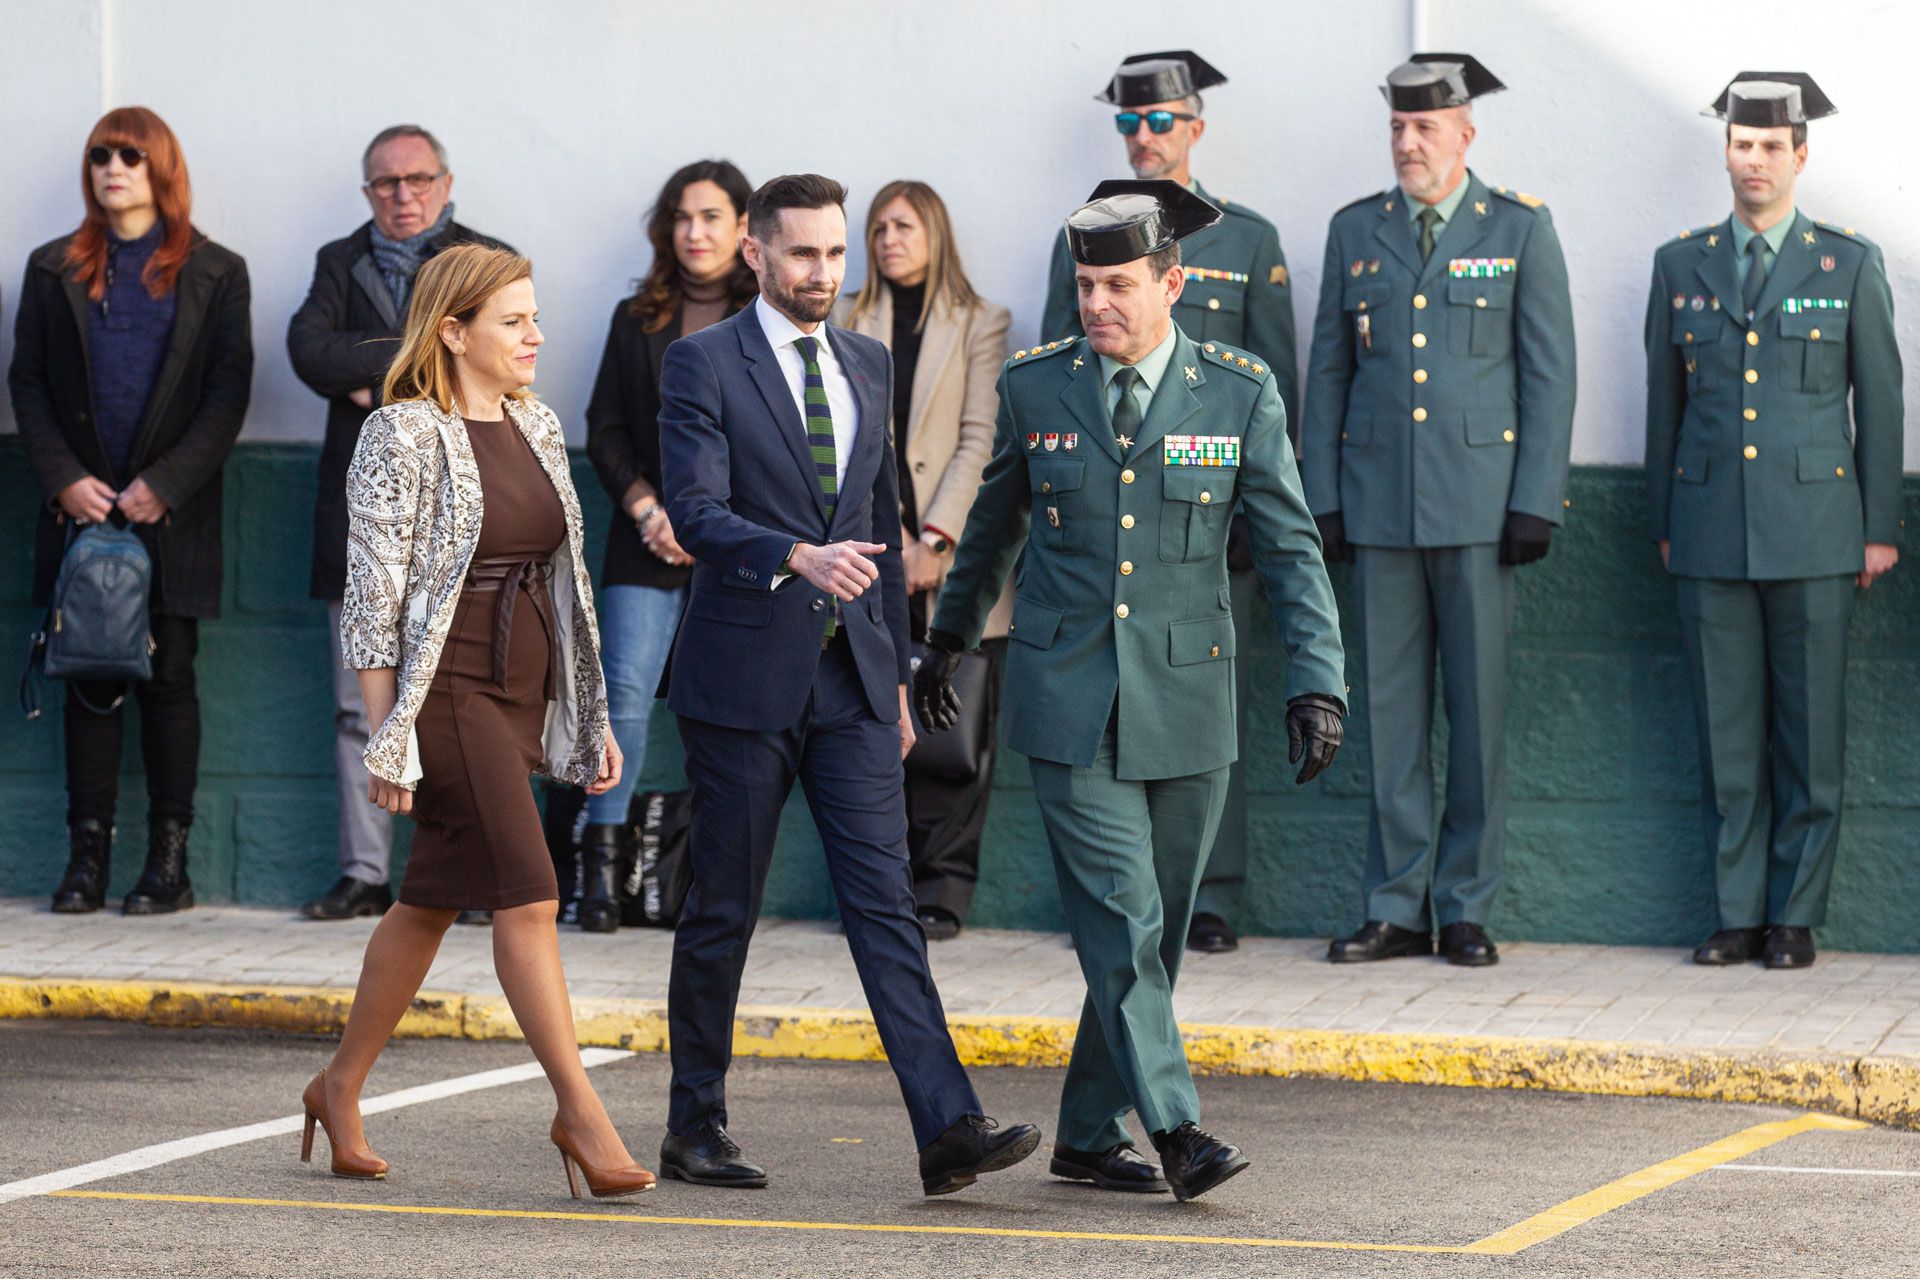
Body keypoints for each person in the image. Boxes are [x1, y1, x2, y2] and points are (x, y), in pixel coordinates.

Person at [918, 181, 1346, 1201]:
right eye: (1086, 283)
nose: (1097, 302)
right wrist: (944, 643)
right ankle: (1178, 1126)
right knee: (1120, 915)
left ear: (1172, 283)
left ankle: (1082, 1132)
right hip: (1069, 699)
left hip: (1190, 701)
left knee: (1151, 930)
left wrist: (1317, 681)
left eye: (1118, 283)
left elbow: (1291, 550)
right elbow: (990, 534)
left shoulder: (1239, 391)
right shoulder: (1038, 387)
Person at [655, 174, 1038, 1196]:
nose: (824, 273)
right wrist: (791, 554)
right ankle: (693, 1124)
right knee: (722, 908)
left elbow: (880, 515)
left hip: (856, 684)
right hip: (741, 680)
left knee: (887, 906)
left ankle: (946, 1123)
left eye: (836, 255)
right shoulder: (701, 364)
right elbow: (692, 511)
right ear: (757, 256)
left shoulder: (866, 360)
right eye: (804, 255)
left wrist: (901, 676)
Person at [310, 244, 652, 1198]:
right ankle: (579, 1110)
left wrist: (590, 714)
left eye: (535, 316)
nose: (536, 334)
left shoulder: (537, 425)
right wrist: (390, 737)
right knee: (531, 892)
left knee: (426, 902)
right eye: (514, 320)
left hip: (522, 693)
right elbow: (373, 597)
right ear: (454, 331)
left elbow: (567, 582)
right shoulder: (400, 433)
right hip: (448, 690)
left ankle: (338, 1085)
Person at [1301, 54, 1576, 968]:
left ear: (1465, 133)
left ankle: (1464, 905)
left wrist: (1535, 499)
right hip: (1379, 512)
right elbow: (1329, 373)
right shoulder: (1356, 231)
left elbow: (1548, 375)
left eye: (1425, 128)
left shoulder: (1520, 230)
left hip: (1481, 514)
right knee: (1387, 714)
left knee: (1477, 715)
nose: (1409, 143)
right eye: (1397, 128)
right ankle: (1393, 904)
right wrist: (1324, 501)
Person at [1039, 50, 1301, 955]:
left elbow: (1275, 385)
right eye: (1129, 121)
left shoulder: (1247, 238)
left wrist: (1250, 521)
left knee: (1201, 703)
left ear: (1195, 125)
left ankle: (1209, 894)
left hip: (1206, 518)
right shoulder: (1085, 234)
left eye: (1161, 120)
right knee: (1105, 707)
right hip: (1105, 519)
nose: (1145, 136)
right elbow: (1054, 378)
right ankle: (1115, 895)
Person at [1645, 75, 1902, 971]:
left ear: (1800, 155)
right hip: (1710, 526)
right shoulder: (1681, 264)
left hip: (1817, 529)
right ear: (1727, 153)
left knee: (1809, 735)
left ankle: (1794, 914)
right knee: (1728, 735)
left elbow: (1880, 398)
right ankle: (1736, 911)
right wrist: (1665, 521)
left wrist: (1879, 527)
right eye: (1739, 144)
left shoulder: (1847, 263)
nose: (1751, 160)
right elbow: (1663, 404)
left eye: (1767, 146)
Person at [11, 106, 252, 916]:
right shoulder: (54, 269)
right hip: (81, 511)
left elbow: (227, 393)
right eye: (100, 156)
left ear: (161, 170)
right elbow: (30, 384)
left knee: (169, 679)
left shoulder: (217, 272)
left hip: (170, 516)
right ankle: (87, 862)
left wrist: (167, 483)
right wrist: (63, 479)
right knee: (89, 678)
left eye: (130, 156)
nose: (113, 168)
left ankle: (168, 864)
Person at [288, 124, 510, 924]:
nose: (403, 195)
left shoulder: (488, 262)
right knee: (361, 708)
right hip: (360, 526)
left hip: (460, 520)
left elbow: (495, 367)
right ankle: (364, 872)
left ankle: (474, 876)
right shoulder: (337, 262)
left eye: (418, 179)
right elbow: (309, 351)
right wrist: (419, 368)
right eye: (385, 183)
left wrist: (368, 379)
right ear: (367, 193)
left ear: (447, 183)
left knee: (462, 706)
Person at [578, 159, 756, 932]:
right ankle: (599, 870)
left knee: (728, 707)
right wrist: (650, 508)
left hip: (741, 543)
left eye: (713, 216)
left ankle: (709, 880)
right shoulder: (636, 317)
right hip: (643, 537)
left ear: (746, 228)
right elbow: (606, 427)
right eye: (684, 217)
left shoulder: (770, 323)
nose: (696, 232)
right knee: (621, 698)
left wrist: (711, 517)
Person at [833, 180, 1012, 940]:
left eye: (903, 226)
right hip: (869, 548)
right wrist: (892, 535)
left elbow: (983, 436)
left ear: (935, 233)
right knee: (873, 721)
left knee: (954, 726)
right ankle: (882, 891)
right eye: (876, 229)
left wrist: (936, 539)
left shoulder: (981, 322)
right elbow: (843, 437)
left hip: (949, 555)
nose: (887, 241)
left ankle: (941, 892)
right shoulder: (844, 317)